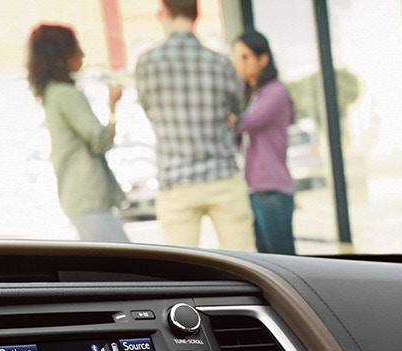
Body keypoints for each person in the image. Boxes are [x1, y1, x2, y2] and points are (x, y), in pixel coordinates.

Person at [134, 0, 255, 250]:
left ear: (165, 12)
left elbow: (149, 110)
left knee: (180, 269)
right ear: (196, 13)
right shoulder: (221, 63)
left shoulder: (147, 63)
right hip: (222, 177)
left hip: (176, 181)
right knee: (247, 263)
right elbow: (238, 113)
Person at [26, 24, 128, 243]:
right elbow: (100, 141)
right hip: (88, 196)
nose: (82, 53)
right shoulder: (66, 94)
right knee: (127, 262)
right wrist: (113, 107)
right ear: (61, 54)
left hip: (78, 196)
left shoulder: (52, 92)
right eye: (75, 47)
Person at [230, 30, 297, 255]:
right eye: (236, 57)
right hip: (253, 188)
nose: (239, 63)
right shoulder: (251, 95)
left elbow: (247, 122)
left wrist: (231, 111)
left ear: (263, 59)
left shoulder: (275, 92)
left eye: (245, 57)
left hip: (272, 190)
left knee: (283, 263)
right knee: (264, 261)